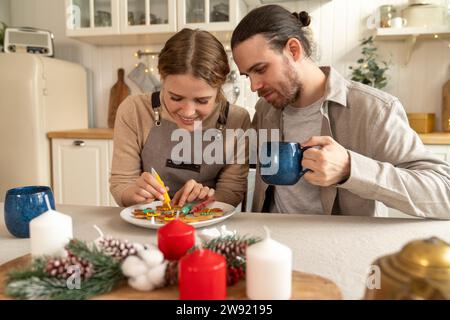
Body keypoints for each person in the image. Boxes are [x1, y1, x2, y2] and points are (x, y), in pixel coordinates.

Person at [231, 5, 450, 218]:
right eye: (247, 75)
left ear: (294, 50)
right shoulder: (265, 110)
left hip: (343, 249)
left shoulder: (374, 111)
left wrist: (350, 169)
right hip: (272, 244)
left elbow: (444, 193)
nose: (254, 86)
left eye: (260, 69)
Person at [110, 28, 250, 208]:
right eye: (176, 98)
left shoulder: (236, 120)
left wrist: (208, 198)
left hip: (207, 225)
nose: (188, 112)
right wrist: (133, 193)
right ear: (162, 77)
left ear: (220, 86)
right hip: (148, 223)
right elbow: (122, 183)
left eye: (202, 100)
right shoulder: (134, 110)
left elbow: (232, 189)